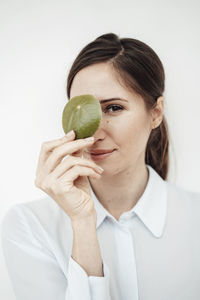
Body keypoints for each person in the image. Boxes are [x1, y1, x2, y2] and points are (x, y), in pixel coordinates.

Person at [1, 33, 200, 300]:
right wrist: (83, 224)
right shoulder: (30, 225)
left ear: (156, 113)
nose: (94, 133)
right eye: (84, 111)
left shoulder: (194, 218)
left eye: (114, 108)